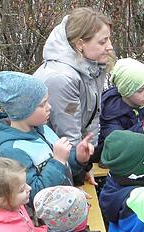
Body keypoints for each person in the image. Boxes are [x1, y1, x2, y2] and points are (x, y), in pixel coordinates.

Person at [0, 71, 93, 208]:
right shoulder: (12, 150)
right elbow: (33, 196)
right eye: (42, 104)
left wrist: (78, 158)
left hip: (66, 211)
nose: (49, 107)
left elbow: (64, 169)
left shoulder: (43, 129)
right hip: (47, 225)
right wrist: (58, 161)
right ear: (24, 109)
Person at [34, 7, 113, 184]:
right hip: (49, 166)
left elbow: (92, 116)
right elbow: (66, 134)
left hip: (72, 158)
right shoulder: (62, 78)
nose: (110, 46)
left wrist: (87, 161)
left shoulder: (92, 67)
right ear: (79, 44)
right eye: (102, 42)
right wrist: (78, 170)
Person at [99, 58, 144, 161]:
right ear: (126, 90)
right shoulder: (110, 112)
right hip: (119, 170)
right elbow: (116, 144)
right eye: (140, 90)